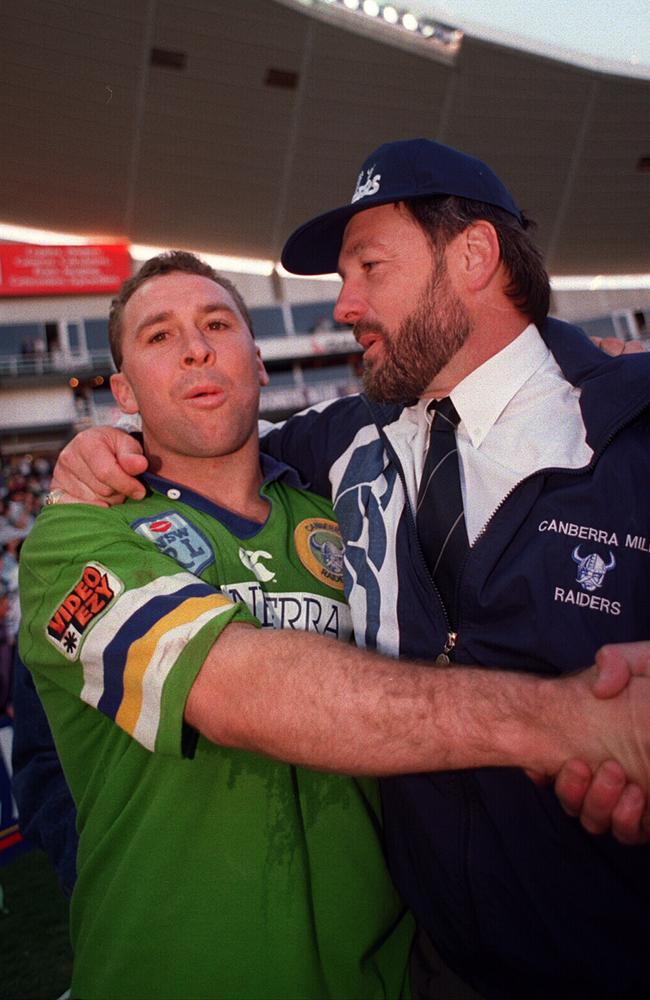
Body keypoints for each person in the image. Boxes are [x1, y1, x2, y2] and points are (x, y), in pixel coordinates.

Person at [51, 142, 650, 999]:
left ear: (475, 257)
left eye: (370, 266)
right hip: (427, 968)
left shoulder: (634, 427)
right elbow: (209, 452)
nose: (345, 305)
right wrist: (102, 449)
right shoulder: (333, 443)